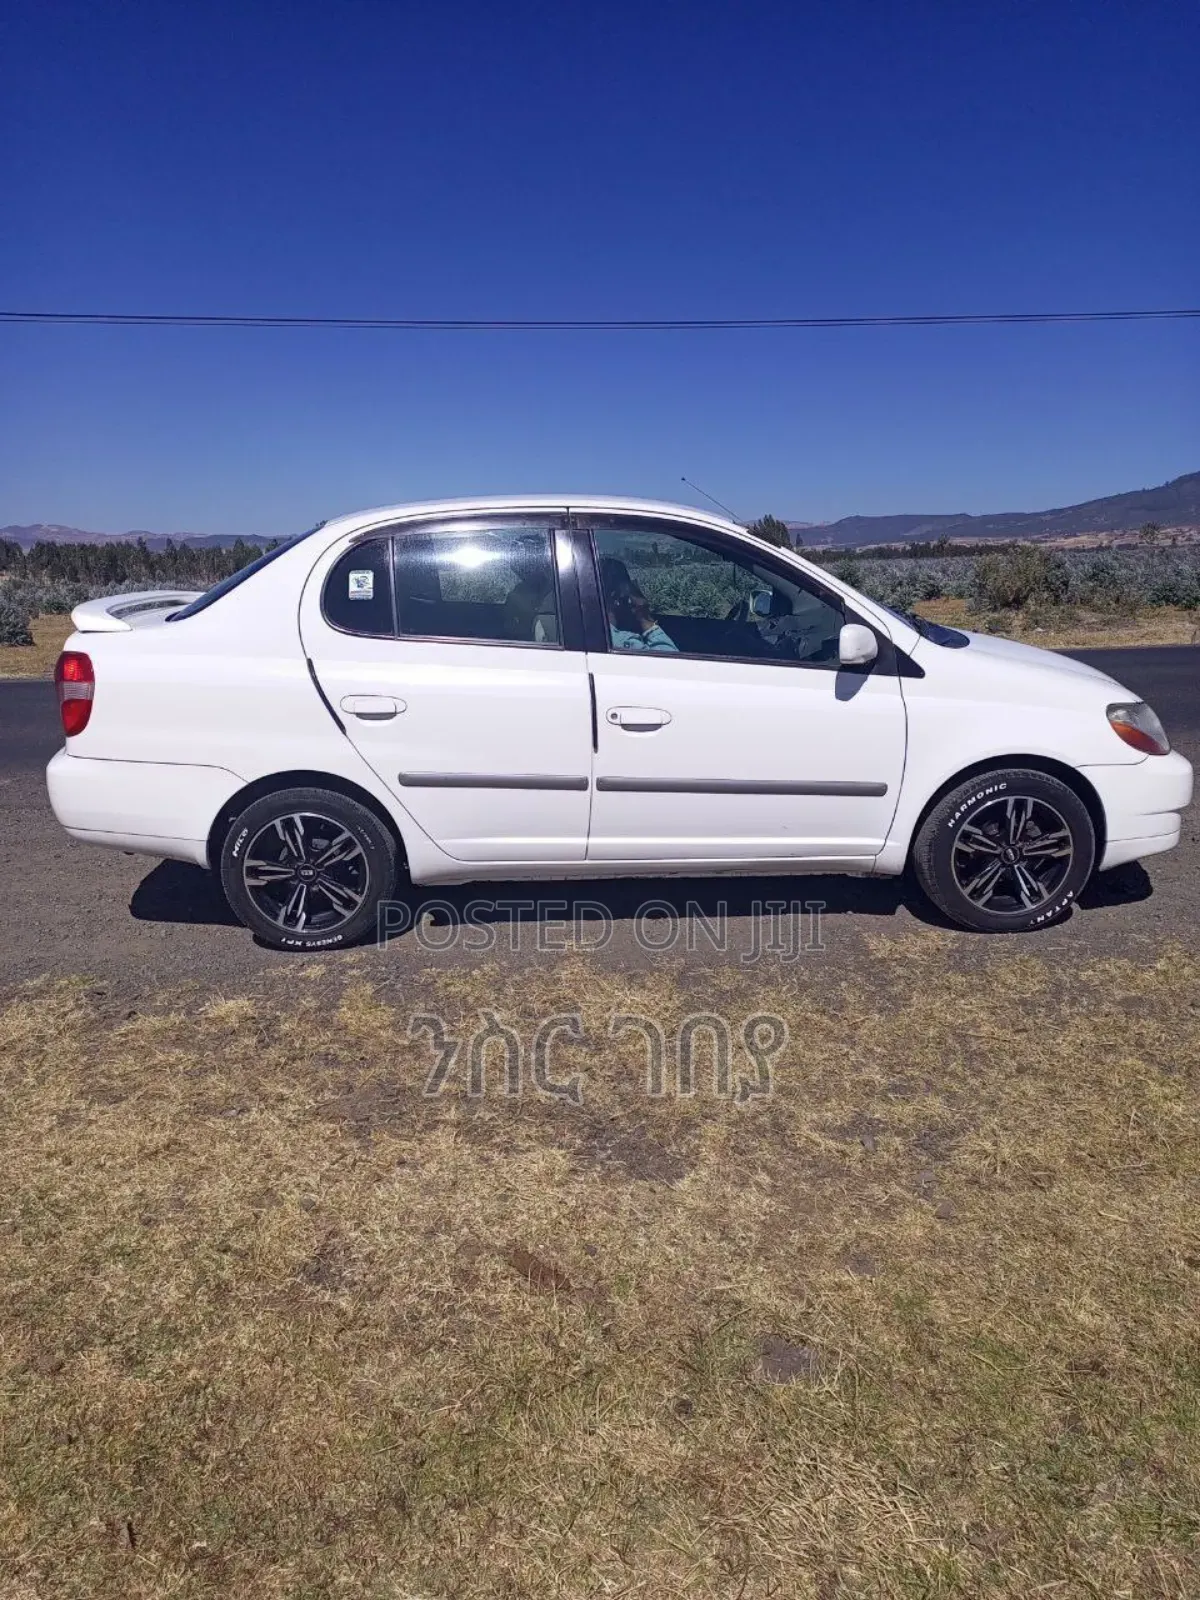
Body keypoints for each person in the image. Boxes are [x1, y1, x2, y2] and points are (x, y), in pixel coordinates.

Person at [599, 557, 678, 652]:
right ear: (617, 595)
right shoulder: (623, 643)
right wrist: (645, 617)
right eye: (629, 588)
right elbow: (671, 663)